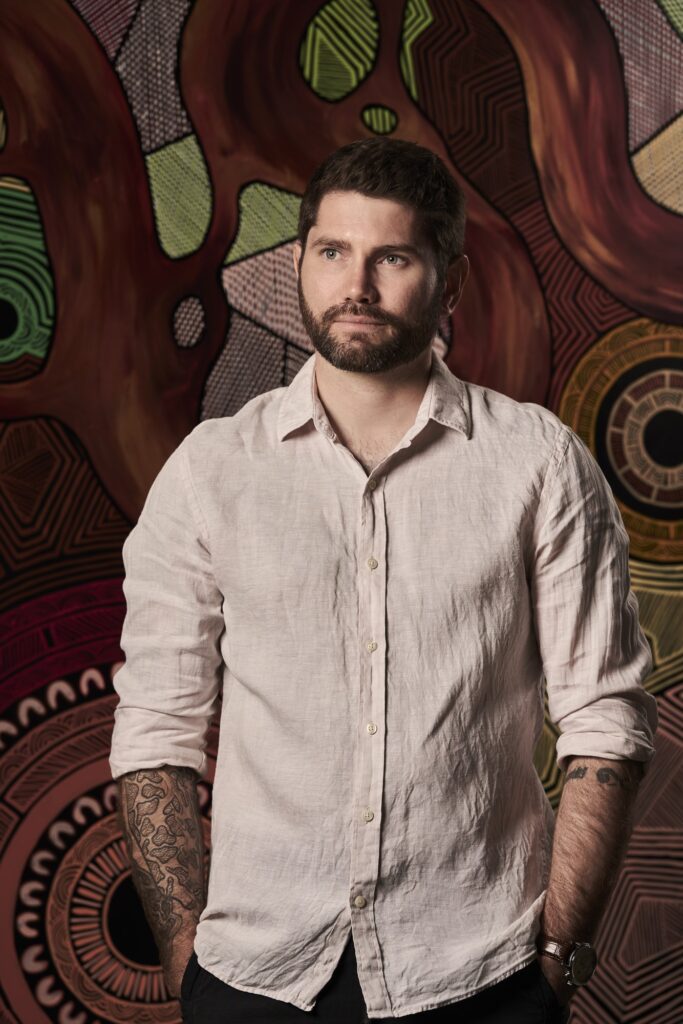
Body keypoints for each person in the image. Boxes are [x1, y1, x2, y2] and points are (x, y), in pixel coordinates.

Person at [110, 138, 658, 1023]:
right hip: (255, 976)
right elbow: (156, 728)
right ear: (299, 261)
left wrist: (554, 958)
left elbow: (605, 721)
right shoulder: (210, 472)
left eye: (391, 256)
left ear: (452, 279)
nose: (354, 285)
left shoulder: (536, 464)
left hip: (480, 976)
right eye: (332, 253)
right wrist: (186, 959)